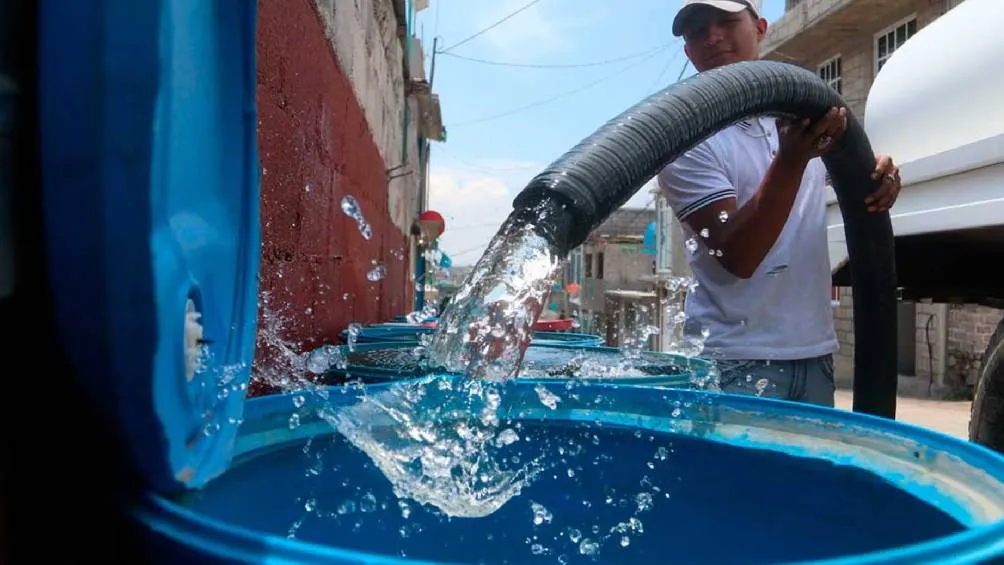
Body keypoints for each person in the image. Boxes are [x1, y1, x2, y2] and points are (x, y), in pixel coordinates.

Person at [658, 0, 902, 406]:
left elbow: (848, 177)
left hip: (814, 354)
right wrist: (790, 161)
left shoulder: (801, 117)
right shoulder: (685, 140)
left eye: (726, 21)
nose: (712, 36)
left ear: (760, 28)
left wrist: (878, 174)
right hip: (732, 361)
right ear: (688, 50)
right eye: (697, 31)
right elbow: (738, 254)